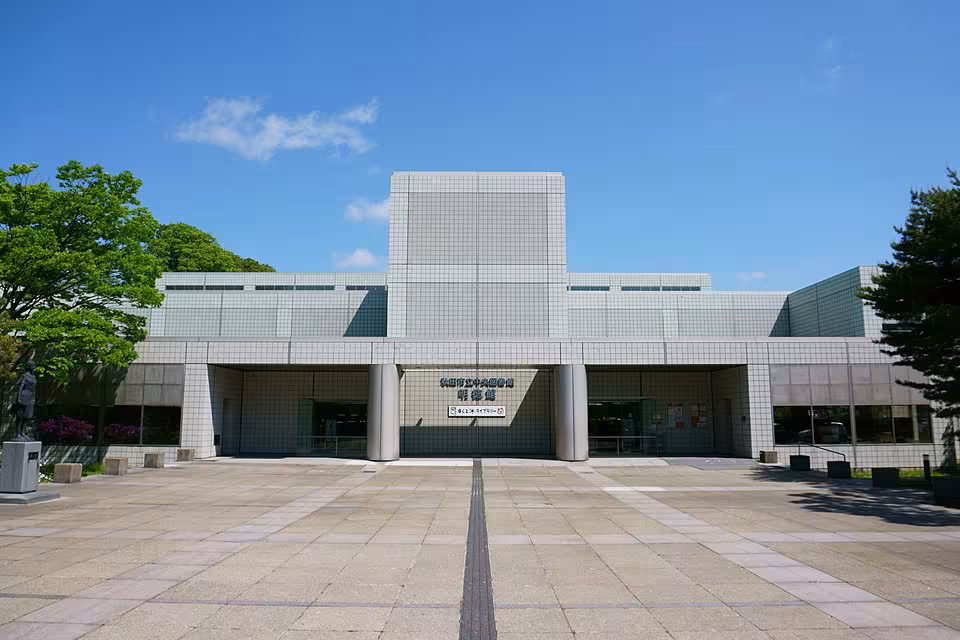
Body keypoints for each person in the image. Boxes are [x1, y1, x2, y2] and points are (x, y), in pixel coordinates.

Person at [10, 359, 36, 441]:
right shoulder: (25, 375)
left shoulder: (34, 376)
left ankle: (23, 432)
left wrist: (34, 399)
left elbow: (34, 389)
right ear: (29, 367)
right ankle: (18, 434)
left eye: (34, 365)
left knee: (28, 416)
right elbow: (21, 387)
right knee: (21, 416)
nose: (34, 367)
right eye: (32, 365)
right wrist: (19, 398)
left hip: (30, 398)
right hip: (24, 397)